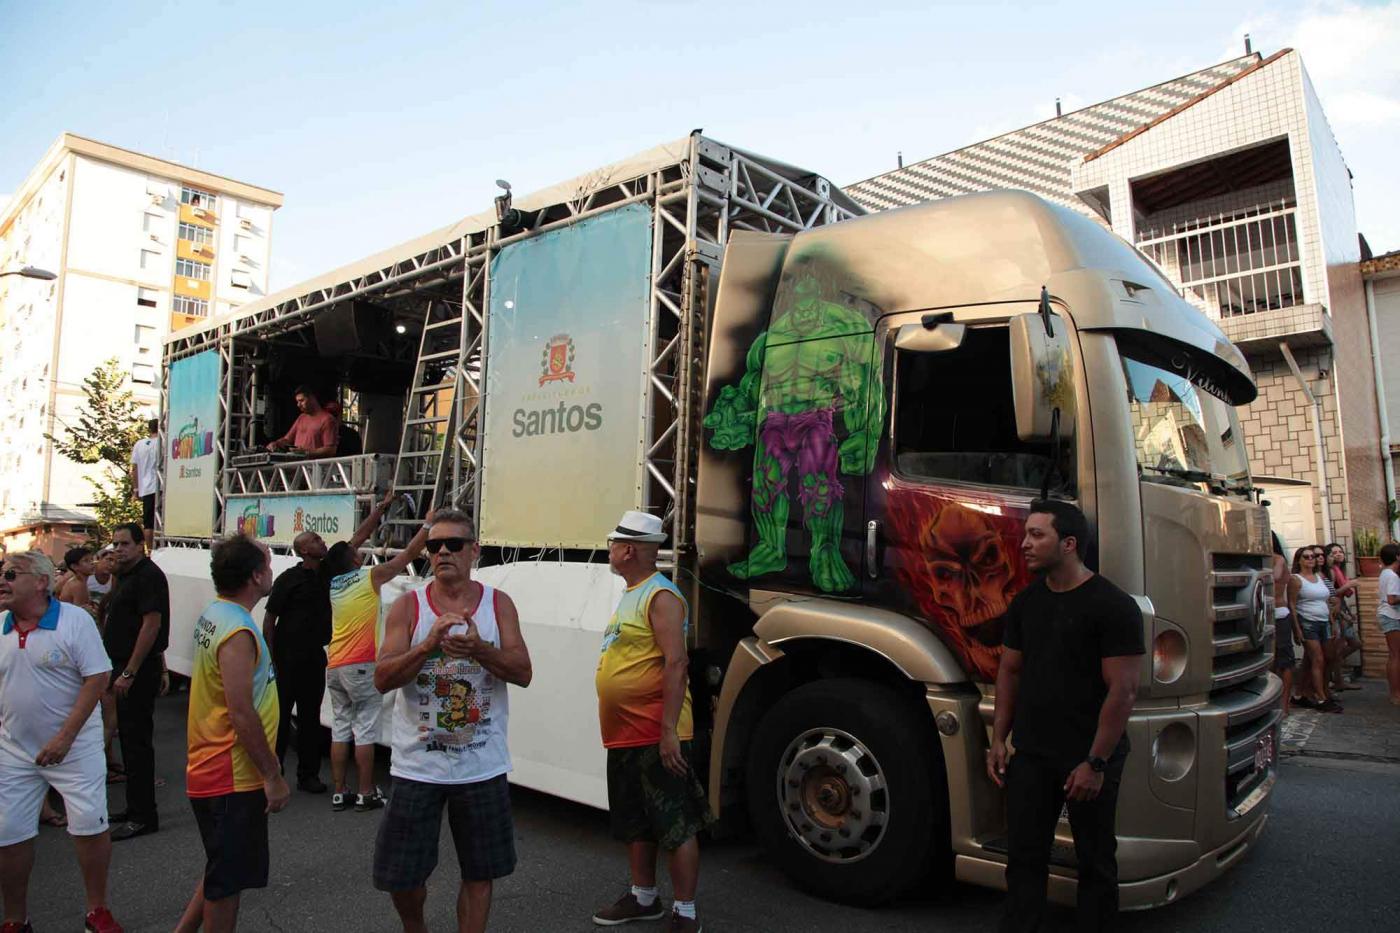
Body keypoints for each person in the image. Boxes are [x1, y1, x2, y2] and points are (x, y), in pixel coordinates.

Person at [987, 500, 1144, 933]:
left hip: (1089, 756)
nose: (1025, 544)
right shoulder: (1026, 603)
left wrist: (1095, 763)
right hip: (1033, 754)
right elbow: (1010, 670)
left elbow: (1123, 689)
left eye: (1037, 535)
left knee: (1095, 860)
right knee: (1023, 858)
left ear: (1069, 543)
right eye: (1026, 534)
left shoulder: (1113, 606)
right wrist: (999, 739)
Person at [373, 509, 532, 933]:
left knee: (480, 872)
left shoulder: (498, 604)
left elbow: (523, 672)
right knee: (402, 875)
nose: (442, 552)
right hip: (417, 766)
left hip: (481, 765)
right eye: (434, 545)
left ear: (474, 550)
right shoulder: (408, 606)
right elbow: (382, 678)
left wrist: (480, 649)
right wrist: (426, 645)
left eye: (454, 544)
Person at [591, 511, 712, 933]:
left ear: (628, 550)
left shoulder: (660, 596)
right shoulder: (634, 592)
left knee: (675, 824)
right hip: (626, 735)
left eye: (613, 543)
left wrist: (667, 733)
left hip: (655, 733)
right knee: (635, 820)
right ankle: (644, 898)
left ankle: (686, 912)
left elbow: (676, 663)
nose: (609, 550)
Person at [0, 551, 125, 933]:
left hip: (75, 747)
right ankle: (15, 919)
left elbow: (97, 678)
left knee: (88, 825)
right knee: (9, 832)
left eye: (10, 573)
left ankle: (96, 911)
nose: (1, 580)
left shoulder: (75, 621)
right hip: (14, 750)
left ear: (40, 581)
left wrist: (66, 737)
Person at [175, 535, 290, 933]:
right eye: (269, 564)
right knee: (227, 886)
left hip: (217, 769)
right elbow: (241, 713)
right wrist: (272, 776)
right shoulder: (237, 630)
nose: (272, 571)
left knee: (220, 867)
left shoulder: (217, 614)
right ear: (257, 576)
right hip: (230, 776)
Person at [323, 489, 431, 811]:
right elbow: (407, 556)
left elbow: (352, 541)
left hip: (335, 665)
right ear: (356, 559)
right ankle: (366, 792)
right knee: (365, 730)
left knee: (340, 728)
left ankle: (340, 791)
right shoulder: (369, 576)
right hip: (360, 665)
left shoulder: (333, 579)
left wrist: (381, 508)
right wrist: (426, 526)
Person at [103, 522, 171, 840]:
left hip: (136, 670)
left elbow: (151, 625)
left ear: (139, 545)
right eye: (115, 544)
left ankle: (144, 816)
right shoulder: (125, 575)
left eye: (124, 544)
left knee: (137, 742)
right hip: (122, 666)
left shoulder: (148, 576)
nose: (118, 550)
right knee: (128, 742)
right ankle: (134, 806)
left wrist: (130, 672)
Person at [262, 530, 332, 793]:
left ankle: (308, 775)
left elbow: (353, 543)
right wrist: (270, 659)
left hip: (314, 657)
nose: (322, 542)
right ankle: (274, 773)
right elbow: (270, 620)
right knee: (279, 719)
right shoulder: (288, 579)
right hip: (285, 658)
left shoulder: (326, 574)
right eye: (315, 540)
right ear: (304, 550)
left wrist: (380, 510)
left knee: (310, 719)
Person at [1289, 545, 1340, 713]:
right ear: (1299, 560)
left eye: (1312, 556)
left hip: (1324, 621)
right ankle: (1321, 698)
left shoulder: (1319, 576)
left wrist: (1332, 621)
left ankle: (1311, 692)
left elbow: (1326, 600)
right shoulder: (1296, 579)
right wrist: (1297, 629)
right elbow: (1292, 605)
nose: (1311, 559)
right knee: (1318, 659)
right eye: (1306, 557)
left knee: (1329, 657)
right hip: (1308, 622)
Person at [1322, 543, 1362, 691]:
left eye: (1340, 552)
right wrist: (1349, 585)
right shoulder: (1330, 572)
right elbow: (1332, 595)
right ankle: (1335, 675)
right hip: (1335, 612)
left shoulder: (1338, 570)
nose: (1338, 555)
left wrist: (1348, 613)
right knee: (1339, 647)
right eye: (1333, 553)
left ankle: (1335, 670)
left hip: (1342, 609)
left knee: (1354, 644)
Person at [1271, 533, 1301, 717]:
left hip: (1279, 613)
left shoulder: (1278, 559)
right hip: (1264, 614)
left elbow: (1274, 576)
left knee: (1285, 661)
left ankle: (1284, 705)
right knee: (1271, 661)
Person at [266, 387, 337, 458]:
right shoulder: (301, 417)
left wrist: (306, 452)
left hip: (315, 467)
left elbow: (331, 450)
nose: (298, 405)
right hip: (299, 466)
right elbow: (287, 439)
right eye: (297, 402)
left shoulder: (328, 419)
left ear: (312, 398)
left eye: (301, 400)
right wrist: (276, 443)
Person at [130, 419, 161, 553]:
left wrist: (136, 489)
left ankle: (150, 551)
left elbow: (134, 468)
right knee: (160, 522)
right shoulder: (162, 442)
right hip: (161, 486)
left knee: (148, 523)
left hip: (146, 488)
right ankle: (158, 550)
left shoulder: (139, 444)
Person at [1377, 543, 1400, 706]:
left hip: (1389, 615)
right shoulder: (1392, 575)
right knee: (1395, 655)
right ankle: (1395, 694)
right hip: (1391, 615)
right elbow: (1392, 600)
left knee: (1395, 655)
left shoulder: (1385, 573)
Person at [59, 547, 97, 613]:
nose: (92, 563)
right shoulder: (77, 585)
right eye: (86, 560)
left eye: (92, 559)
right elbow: (81, 614)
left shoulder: (80, 582)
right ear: (74, 566)